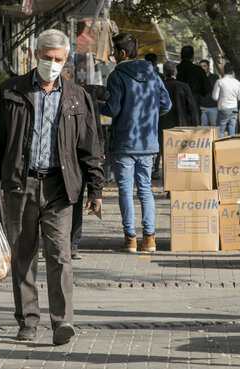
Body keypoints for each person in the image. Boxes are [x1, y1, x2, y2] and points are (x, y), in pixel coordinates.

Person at [0, 29, 104, 345]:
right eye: (48, 58)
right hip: (20, 184)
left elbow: (90, 145)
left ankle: (63, 322)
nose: (53, 64)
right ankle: (28, 322)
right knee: (24, 254)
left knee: (60, 254)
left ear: (66, 60)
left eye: (59, 59)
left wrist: (96, 189)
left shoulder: (77, 95)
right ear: (36, 56)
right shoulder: (12, 91)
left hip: (60, 187)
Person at [99, 33, 171, 253]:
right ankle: (149, 239)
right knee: (146, 189)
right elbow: (166, 104)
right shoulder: (153, 74)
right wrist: (148, 116)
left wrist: (95, 105)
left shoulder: (116, 75)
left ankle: (129, 239)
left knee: (125, 189)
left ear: (122, 53)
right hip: (147, 141)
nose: (112, 55)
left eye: (113, 51)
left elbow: (112, 109)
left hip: (124, 142)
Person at [61, 57, 108, 260]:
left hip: (77, 159)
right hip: (56, 163)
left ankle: (72, 243)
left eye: (61, 69)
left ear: (69, 73)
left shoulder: (81, 95)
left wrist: (99, 152)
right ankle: (58, 242)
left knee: (76, 200)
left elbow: (93, 129)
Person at [154, 61, 199, 178]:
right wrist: (196, 126)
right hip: (181, 125)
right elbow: (192, 108)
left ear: (164, 73)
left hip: (162, 125)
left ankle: (168, 181)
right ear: (176, 72)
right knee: (181, 154)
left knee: (166, 155)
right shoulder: (183, 86)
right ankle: (180, 180)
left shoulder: (158, 87)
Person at [212, 62, 240, 137]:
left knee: (221, 129)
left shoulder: (220, 82)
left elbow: (215, 97)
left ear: (223, 71)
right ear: (233, 72)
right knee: (232, 127)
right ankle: (231, 145)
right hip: (234, 108)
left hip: (223, 107)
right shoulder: (237, 83)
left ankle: (220, 146)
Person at [198, 59, 219, 126]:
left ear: (208, 67)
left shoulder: (215, 78)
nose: (203, 68)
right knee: (203, 128)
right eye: (201, 66)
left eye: (204, 66)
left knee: (214, 127)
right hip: (202, 107)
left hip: (213, 107)